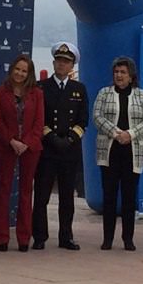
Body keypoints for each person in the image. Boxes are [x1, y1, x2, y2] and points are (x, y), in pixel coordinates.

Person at [93, 56, 143, 251]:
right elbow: (97, 116)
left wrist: (131, 134)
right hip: (110, 152)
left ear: (131, 76)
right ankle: (107, 239)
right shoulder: (104, 93)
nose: (119, 75)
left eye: (123, 72)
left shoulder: (142, 95)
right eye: (116, 72)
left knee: (129, 197)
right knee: (109, 196)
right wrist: (116, 133)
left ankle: (128, 239)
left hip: (132, 152)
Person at [33, 42, 89, 250]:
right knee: (41, 196)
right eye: (59, 61)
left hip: (70, 150)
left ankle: (66, 236)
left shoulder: (79, 89)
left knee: (67, 197)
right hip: (47, 149)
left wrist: (71, 139)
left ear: (72, 65)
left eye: (66, 62)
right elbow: (37, 118)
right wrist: (51, 138)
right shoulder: (41, 87)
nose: (61, 65)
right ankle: (39, 236)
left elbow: (83, 120)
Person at [0, 54, 44, 252]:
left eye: (24, 71)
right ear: (12, 69)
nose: (20, 73)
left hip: (30, 147)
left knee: (25, 191)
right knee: (4, 189)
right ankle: (1, 237)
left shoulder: (37, 93)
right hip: (7, 145)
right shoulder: (0, 92)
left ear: (29, 74)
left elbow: (39, 123)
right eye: (18, 69)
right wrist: (11, 140)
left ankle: (24, 238)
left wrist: (26, 143)